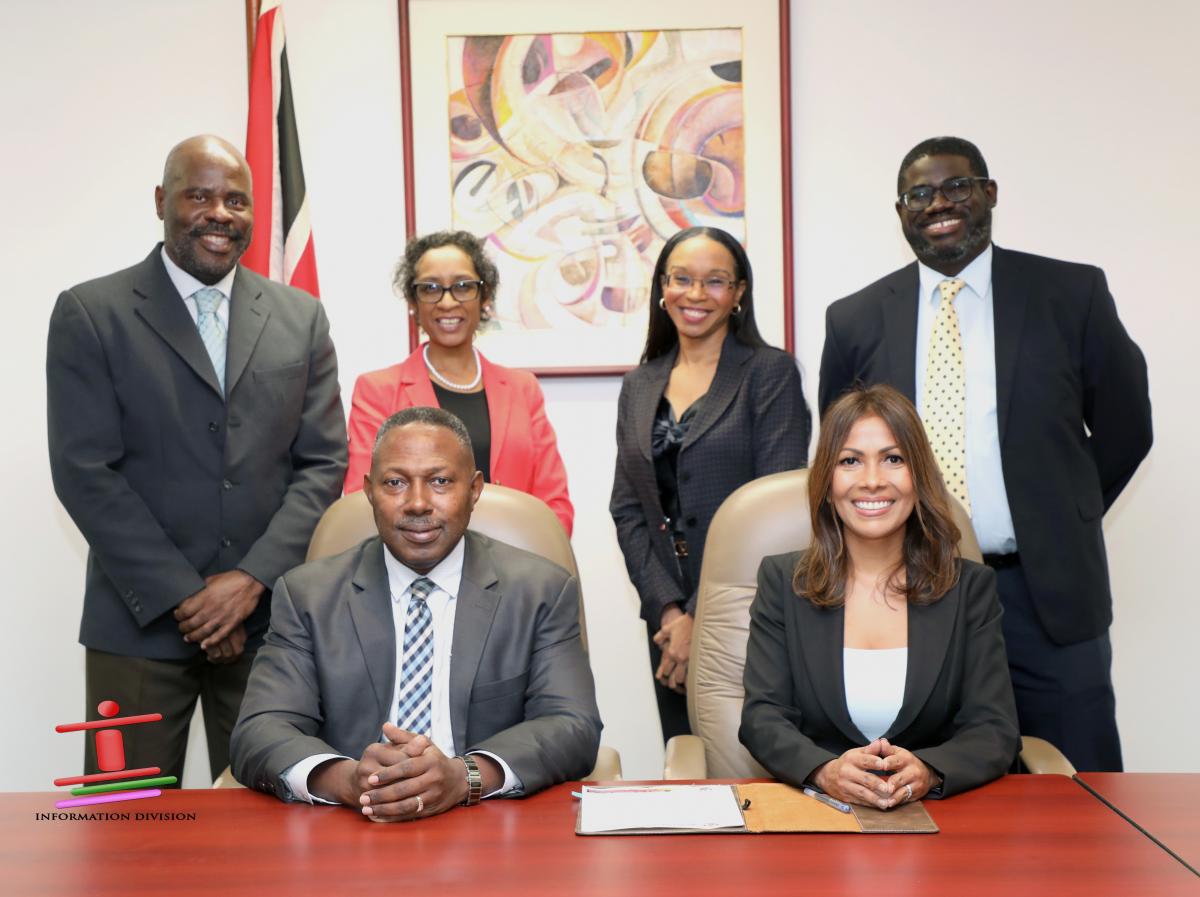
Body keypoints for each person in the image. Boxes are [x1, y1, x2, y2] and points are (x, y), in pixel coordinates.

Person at [818, 137, 1151, 772]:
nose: (939, 204)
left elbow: (1127, 427)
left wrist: (1061, 514)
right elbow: (842, 456)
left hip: (1044, 592)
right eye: (920, 194)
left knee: (1081, 791)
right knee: (923, 781)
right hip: (908, 590)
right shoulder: (855, 319)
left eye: (957, 187)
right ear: (900, 211)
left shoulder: (1070, 294)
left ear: (989, 194)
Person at [46, 135, 347, 783]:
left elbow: (324, 463)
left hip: (269, 629)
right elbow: (84, 471)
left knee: (273, 840)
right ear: (162, 201)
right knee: (125, 831)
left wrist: (250, 580)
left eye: (236, 199)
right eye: (200, 195)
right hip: (137, 629)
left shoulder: (301, 317)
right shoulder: (91, 313)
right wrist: (190, 598)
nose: (220, 212)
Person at [231, 407, 601, 820]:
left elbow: (572, 726)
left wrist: (465, 777)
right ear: (370, 491)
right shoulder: (307, 597)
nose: (418, 503)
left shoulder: (540, 591)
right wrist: (349, 781)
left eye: (440, 481)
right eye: (395, 483)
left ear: (475, 489)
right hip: (350, 827)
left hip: (487, 825)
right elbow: (259, 730)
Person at [741, 385, 1020, 807]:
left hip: (939, 825)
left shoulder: (969, 588)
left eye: (893, 459)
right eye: (850, 461)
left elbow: (994, 728)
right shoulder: (783, 581)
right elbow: (763, 717)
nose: (872, 481)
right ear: (827, 480)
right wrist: (823, 770)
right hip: (817, 817)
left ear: (918, 476)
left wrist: (930, 770)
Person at [610, 225, 811, 741]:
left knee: (753, 768)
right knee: (686, 766)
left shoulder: (770, 374)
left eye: (715, 281)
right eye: (682, 279)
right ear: (662, 287)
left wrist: (702, 616)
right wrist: (671, 612)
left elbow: (775, 513)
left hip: (752, 610)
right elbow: (628, 509)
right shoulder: (639, 384)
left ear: (739, 293)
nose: (696, 295)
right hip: (666, 621)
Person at [343, 231, 573, 534]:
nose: (448, 301)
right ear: (413, 302)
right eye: (430, 288)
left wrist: (531, 565)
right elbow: (363, 502)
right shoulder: (377, 391)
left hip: (516, 565)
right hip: (417, 564)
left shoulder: (522, 389)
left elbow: (555, 504)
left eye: (463, 286)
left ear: (485, 297)